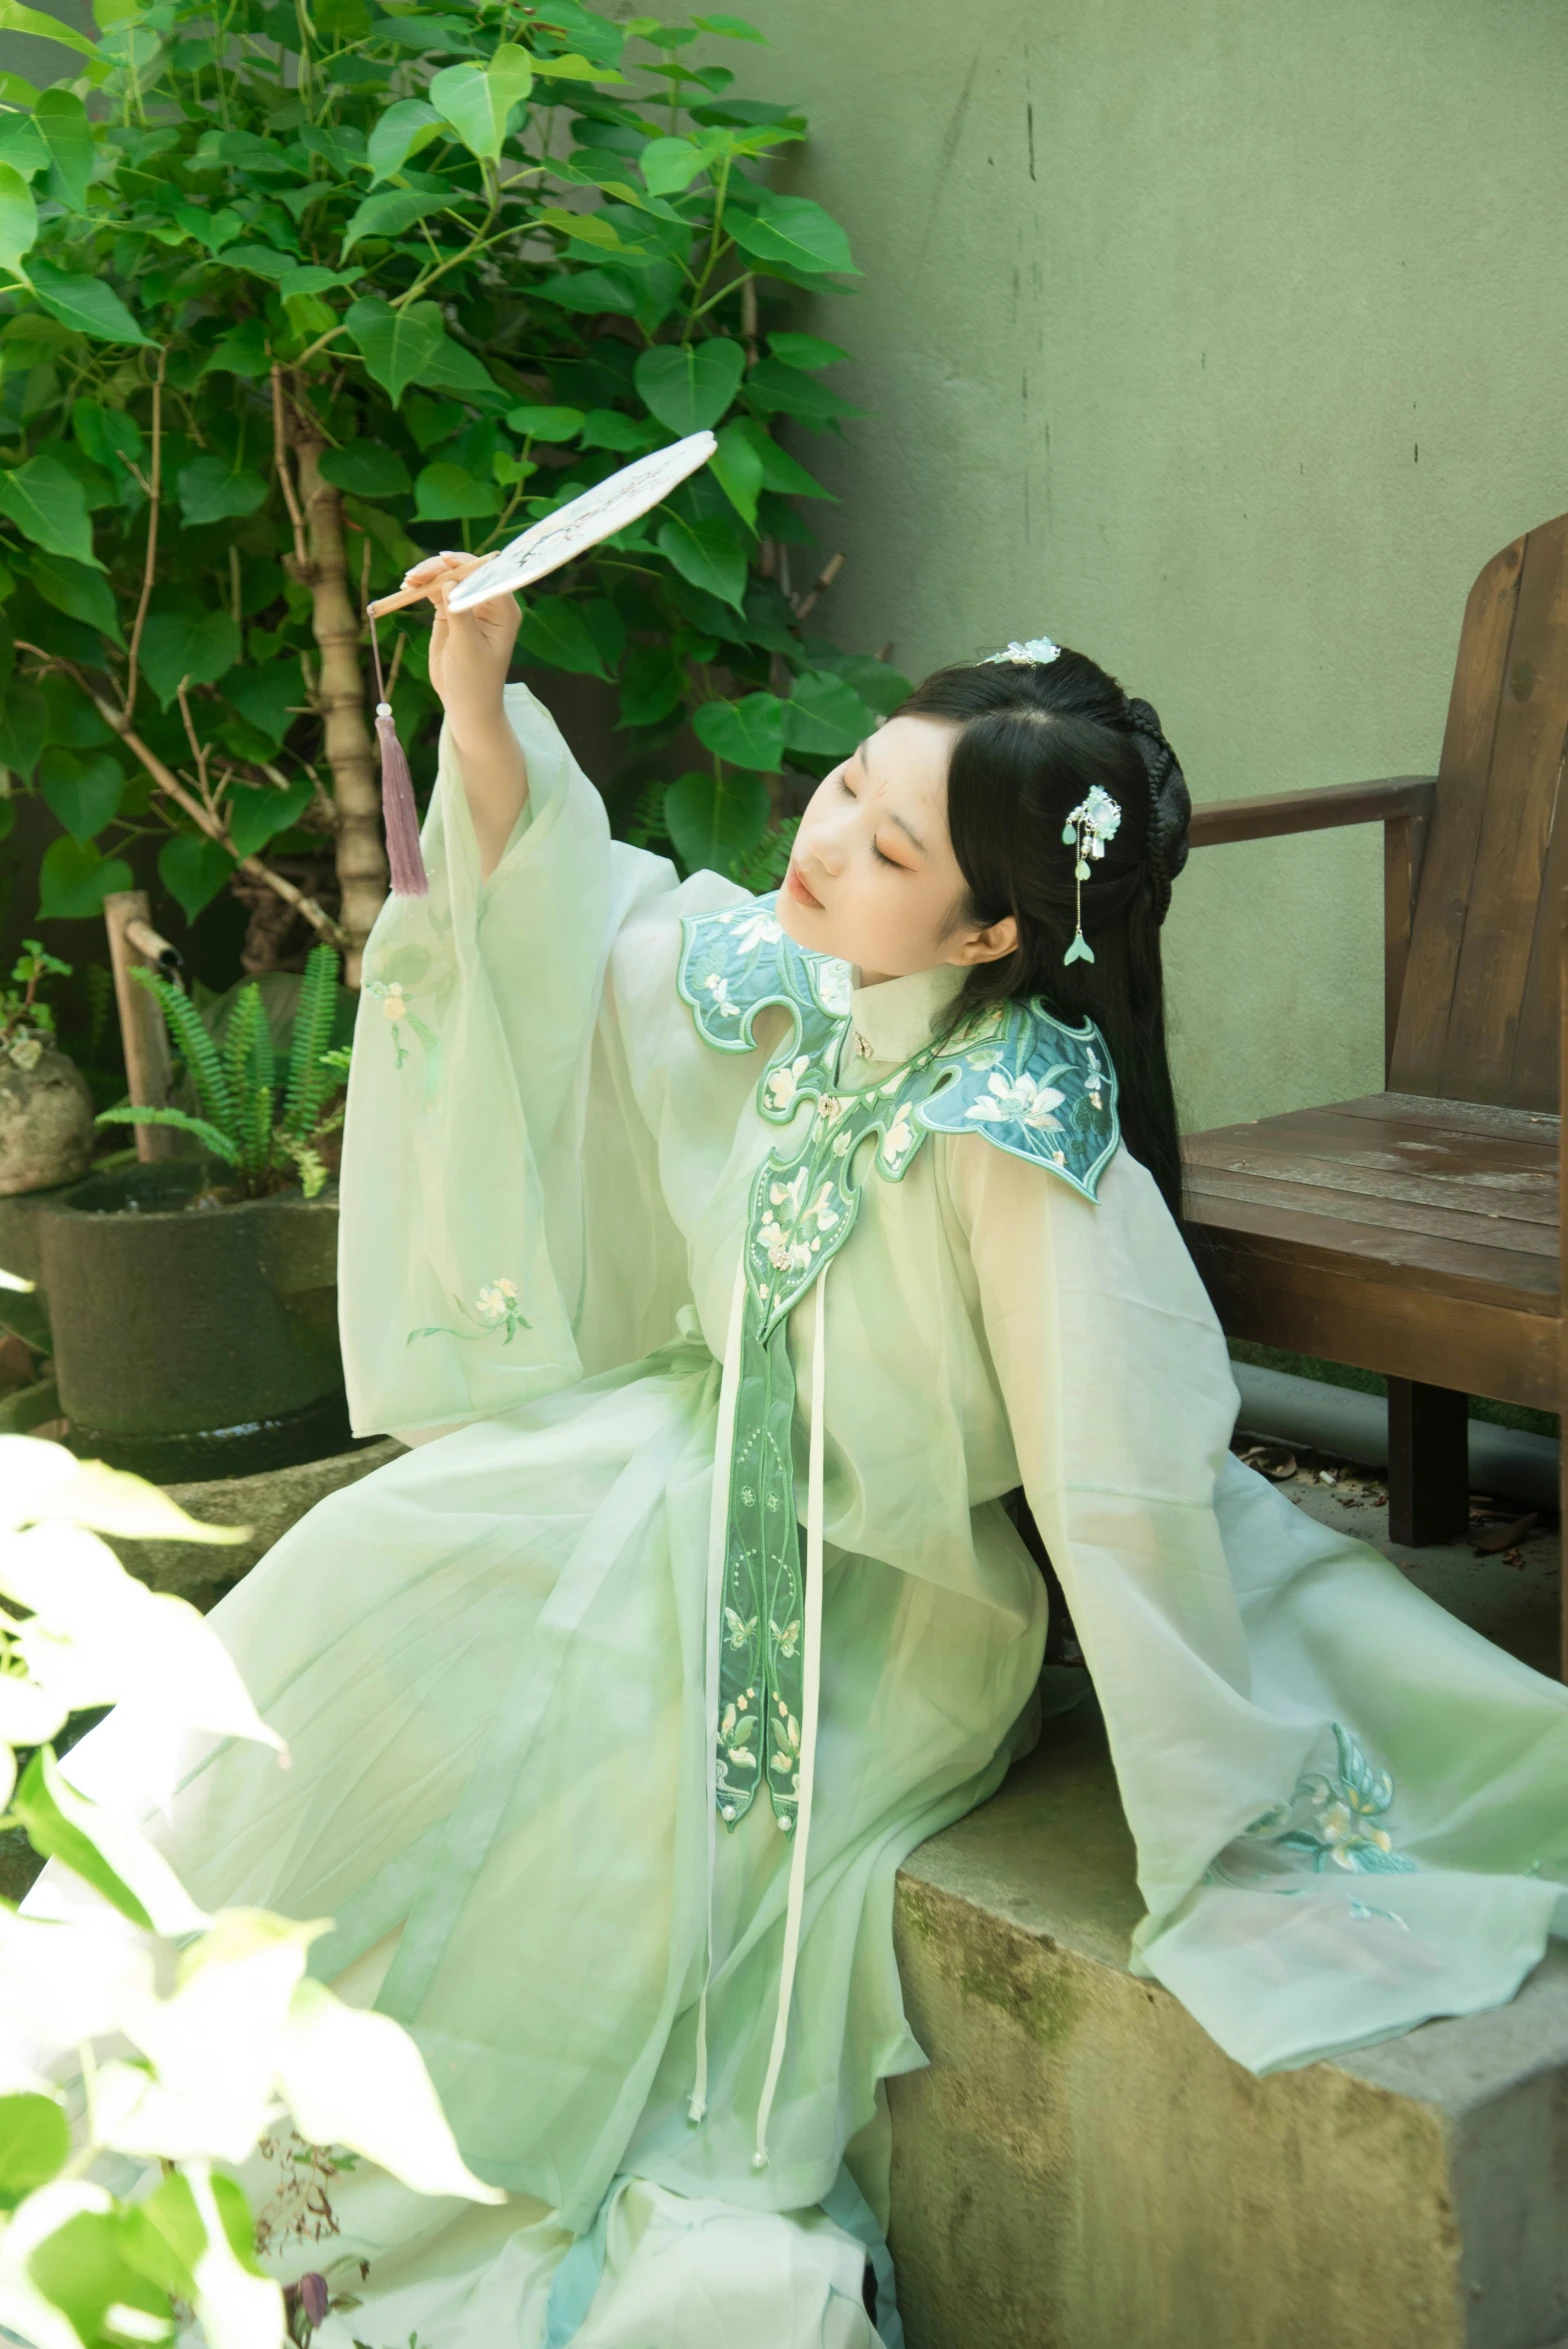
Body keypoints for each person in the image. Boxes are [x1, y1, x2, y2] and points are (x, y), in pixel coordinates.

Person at [45, 568, 1568, 2347]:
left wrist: (1201, 1808)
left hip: (877, 1597)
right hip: (676, 1457)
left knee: (574, 1788)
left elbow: (1113, 1480)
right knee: (350, 1593)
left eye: (894, 846)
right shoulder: (797, 973)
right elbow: (577, 924)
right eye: (851, 780)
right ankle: (151, 2099)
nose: (831, 836)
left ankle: (401, 2152)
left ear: (996, 934)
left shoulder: (1016, 1129)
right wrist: (475, 697)